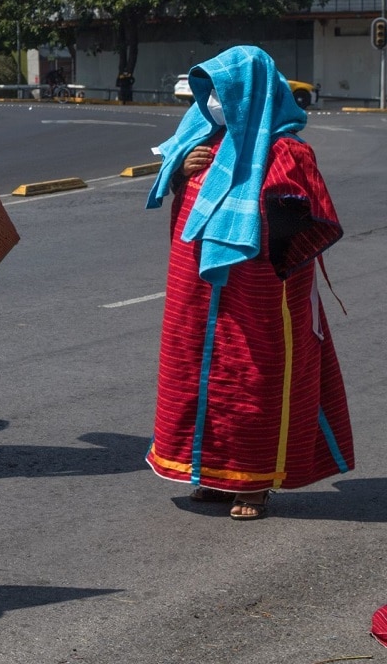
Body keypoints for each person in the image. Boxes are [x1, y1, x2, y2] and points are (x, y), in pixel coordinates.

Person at [145, 45, 353, 521]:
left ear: (249, 92)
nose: (214, 99)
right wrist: (180, 171)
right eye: (211, 90)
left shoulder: (285, 149)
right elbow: (179, 199)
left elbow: (303, 217)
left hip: (259, 292)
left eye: (223, 90)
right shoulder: (202, 139)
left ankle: (254, 482)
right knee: (201, 376)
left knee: (253, 377)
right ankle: (214, 475)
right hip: (197, 291)